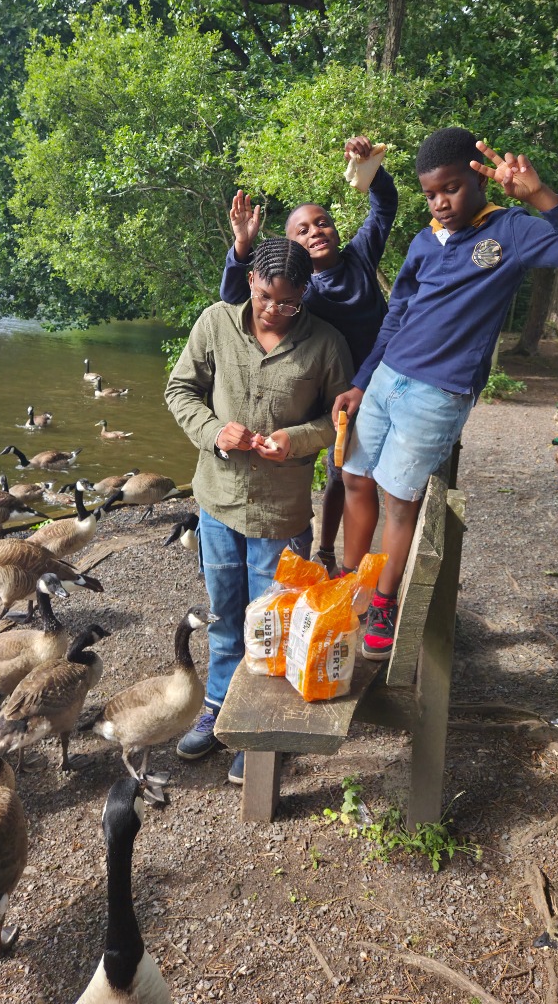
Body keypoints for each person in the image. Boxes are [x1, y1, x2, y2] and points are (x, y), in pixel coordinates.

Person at [333, 127, 558, 660]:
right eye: (431, 193)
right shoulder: (423, 241)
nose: (441, 203)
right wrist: (361, 380)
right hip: (386, 380)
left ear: (478, 178)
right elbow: (397, 315)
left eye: (452, 188)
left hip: (438, 393)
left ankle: (383, 603)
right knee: (354, 478)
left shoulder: (510, 231)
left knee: (399, 500)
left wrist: (538, 196)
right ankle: (348, 581)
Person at [165, 237, 353, 785]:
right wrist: (213, 432)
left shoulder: (326, 343)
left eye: (290, 303)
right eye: (269, 297)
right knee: (225, 617)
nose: (277, 311)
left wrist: (294, 440)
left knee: (275, 627)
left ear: (304, 296)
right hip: (217, 503)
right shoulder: (215, 323)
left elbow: (341, 418)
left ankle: (263, 731)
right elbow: (180, 390)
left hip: (282, 513)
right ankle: (219, 708)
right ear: (250, 281)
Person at [220, 136, 398, 575]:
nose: (316, 231)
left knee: (352, 475)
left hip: (371, 386)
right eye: (302, 230)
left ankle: (337, 555)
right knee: (315, 464)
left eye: (322, 223)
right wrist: (242, 247)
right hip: (321, 389)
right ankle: (312, 546)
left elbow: (385, 206)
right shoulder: (301, 291)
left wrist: (369, 169)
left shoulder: (359, 257)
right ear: (291, 247)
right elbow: (232, 296)